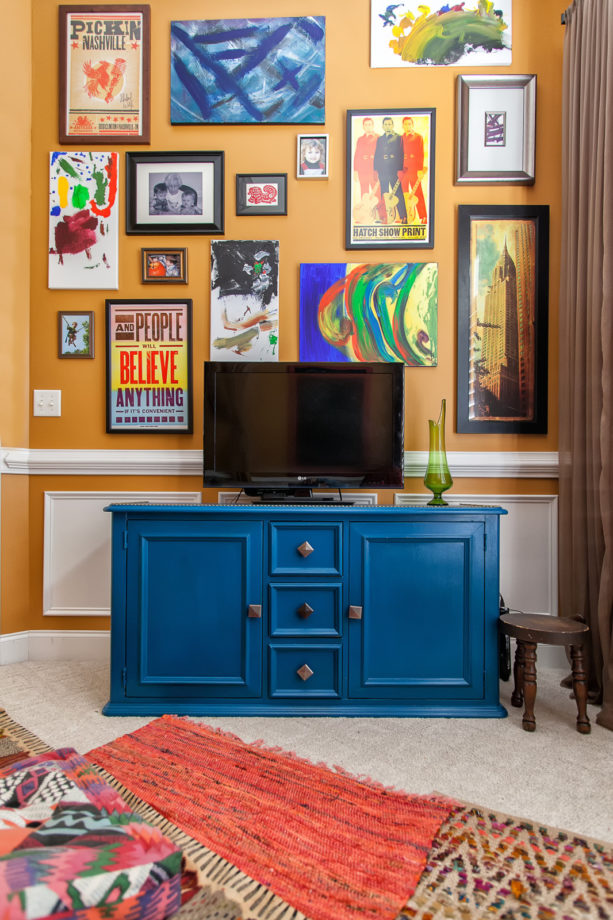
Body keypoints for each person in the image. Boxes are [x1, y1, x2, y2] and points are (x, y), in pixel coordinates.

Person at [373, 116, 407, 223]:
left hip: (393, 168)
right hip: (382, 168)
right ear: (383, 126)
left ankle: (403, 216)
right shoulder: (380, 139)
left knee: (397, 192)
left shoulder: (398, 138)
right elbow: (377, 154)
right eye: (386, 124)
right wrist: (375, 169)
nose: (388, 126)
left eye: (389, 124)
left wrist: (400, 170)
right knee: (384, 192)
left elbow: (401, 154)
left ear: (393, 125)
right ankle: (384, 216)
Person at [400, 117, 427, 224]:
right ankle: (404, 216)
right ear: (403, 126)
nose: (408, 126)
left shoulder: (418, 137)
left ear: (412, 125)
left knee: (418, 192)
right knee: (404, 193)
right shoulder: (400, 138)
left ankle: (423, 216)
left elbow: (420, 154)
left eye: (409, 124)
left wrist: (420, 169)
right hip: (403, 170)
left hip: (414, 169)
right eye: (405, 124)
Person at [353, 117, 379, 197]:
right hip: (363, 170)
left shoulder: (379, 138)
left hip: (374, 170)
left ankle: (380, 209)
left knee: (377, 193)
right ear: (363, 127)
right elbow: (357, 155)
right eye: (366, 125)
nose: (368, 126)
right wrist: (355, 171)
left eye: (370, 124)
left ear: (373, 125)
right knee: (364, 194)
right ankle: (365, 210)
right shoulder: (360, 139)